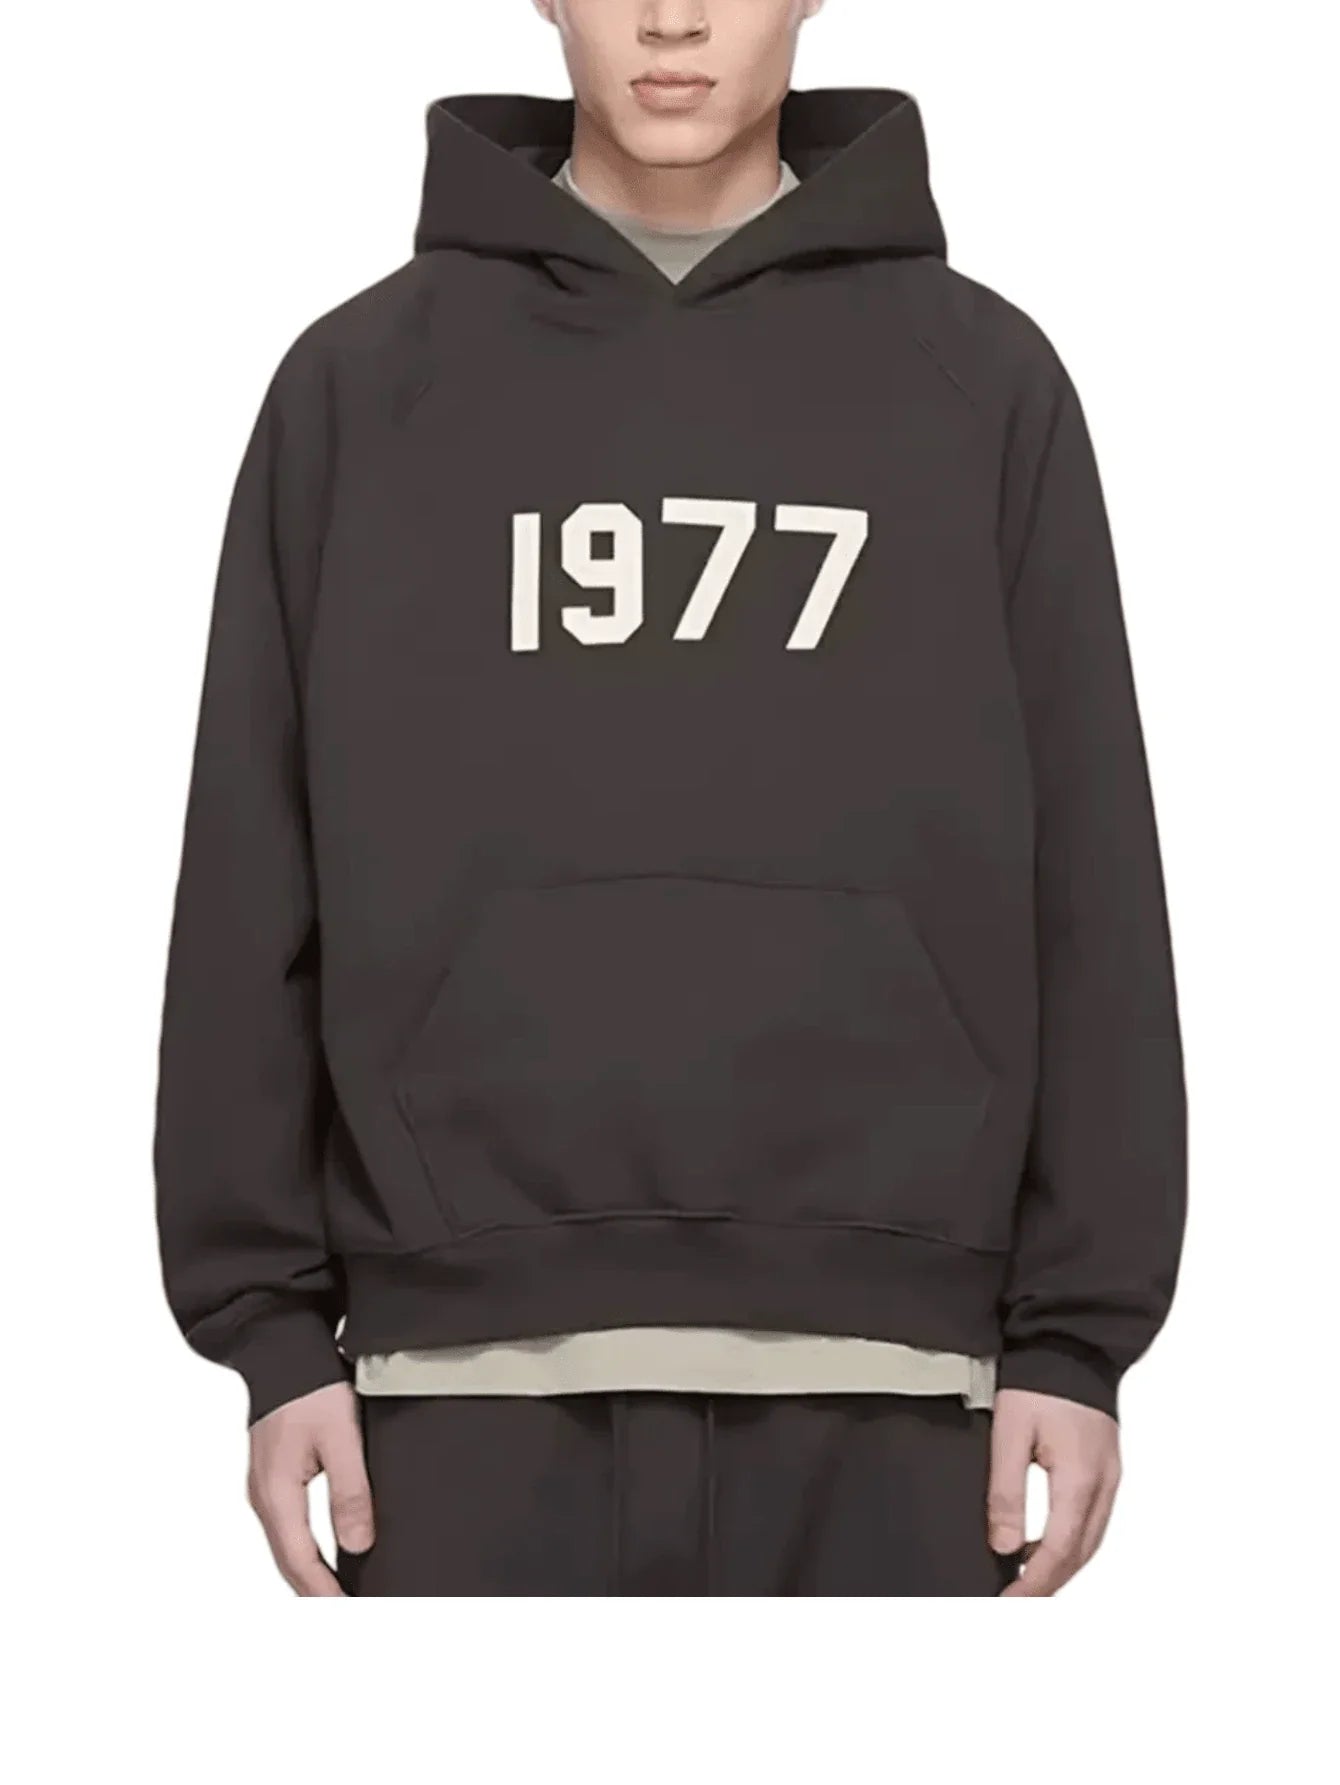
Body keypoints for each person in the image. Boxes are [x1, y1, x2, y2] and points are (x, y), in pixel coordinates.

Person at [155, 0, 1186, 1597]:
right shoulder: (357, 389)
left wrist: (1075, 1334)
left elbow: (1093, 878)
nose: (674, 16)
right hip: (453, 1394)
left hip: (903, 1394)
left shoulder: (982, 384)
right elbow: (247, 873)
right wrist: (274, 1333)